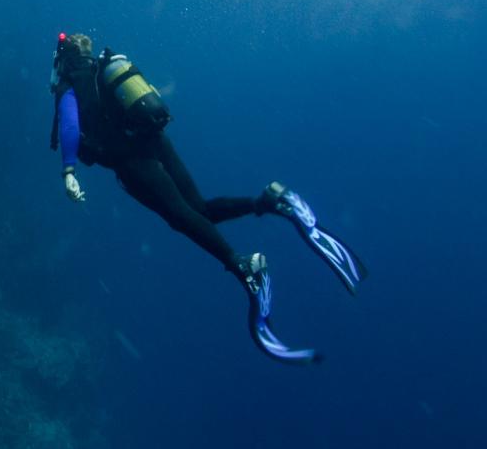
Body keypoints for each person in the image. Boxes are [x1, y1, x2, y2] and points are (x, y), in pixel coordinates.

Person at [48, 32, 366, 363]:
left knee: (180, 217)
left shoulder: (74, 83)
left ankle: (242, 266)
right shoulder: (106, 68)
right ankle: (270, 201)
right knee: (199, 209)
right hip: (154, 140)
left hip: (131, 159)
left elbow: (70, 125)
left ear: (62, 59)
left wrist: (69, 171)